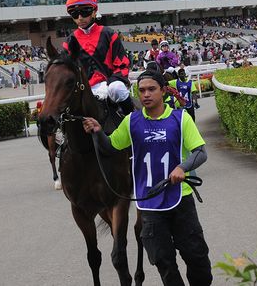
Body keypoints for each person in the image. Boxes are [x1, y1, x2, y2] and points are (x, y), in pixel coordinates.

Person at [83, 71, 212, 286]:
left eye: (151, 89)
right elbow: (111, 146)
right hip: (149, 204)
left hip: (182, 200)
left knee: (197, 258)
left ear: (162, 91)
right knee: (164, 262)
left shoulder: (180, 119)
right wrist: (97, 132)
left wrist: (182, 167)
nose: (146, 94)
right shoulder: (131, 121)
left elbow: (200, 152)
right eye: (141, 90)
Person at [63, 0, 132, 108]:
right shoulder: (69, 42)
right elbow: (68, 73)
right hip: (85, 90)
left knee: (117, 88)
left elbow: (122, 65)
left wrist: (109, 83)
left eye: (84, 12)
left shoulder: (108, 34)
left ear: (94, 11)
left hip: (111, 85)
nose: (80, 18)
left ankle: (133, 120)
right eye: (74, 14)